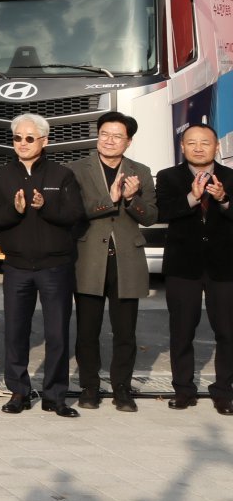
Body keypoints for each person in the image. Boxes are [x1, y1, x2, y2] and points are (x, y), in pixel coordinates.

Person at [0, 112, 85, 417]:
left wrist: (47, 206)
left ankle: (55, 395)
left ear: (44, 140)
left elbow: (74, 215)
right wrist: (15, 211)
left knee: (57, 333)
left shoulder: (61, 175)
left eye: (29, 138)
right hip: (16, 266)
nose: (23, 143)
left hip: (54, 266)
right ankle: (18, 391)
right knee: (15, 331)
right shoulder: (1, 176)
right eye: (17, 137)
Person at [71, 112, 158, 412]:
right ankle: (89, 387)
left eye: (117, 136)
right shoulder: (76, 170)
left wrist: (132, 200)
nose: (109, 140)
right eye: (104, 134)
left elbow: (151, 217)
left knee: (125, 331)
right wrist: (110, 199)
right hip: (89, 258)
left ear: (128, 141)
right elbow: (75, 212)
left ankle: (122, 387)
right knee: (87, 330)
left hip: (127, 259)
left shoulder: (141, 171)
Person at [154, 124, 233, 414]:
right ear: (183, 147)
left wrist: (223, 199)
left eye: (205, 142)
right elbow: (162, 211)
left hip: (224, 266)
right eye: (192, 143)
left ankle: (224, 390)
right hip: (182, 265)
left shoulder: (230, 177)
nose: (199, 148)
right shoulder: (168, 177)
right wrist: (191, 196)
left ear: (217, 147)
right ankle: (183, 389)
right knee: (182, 330)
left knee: (227, 331)